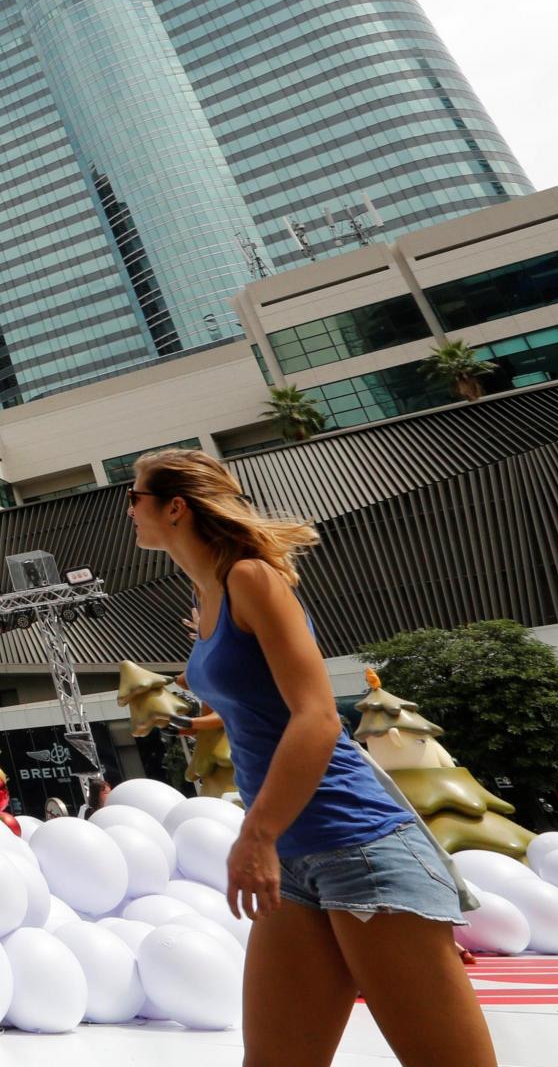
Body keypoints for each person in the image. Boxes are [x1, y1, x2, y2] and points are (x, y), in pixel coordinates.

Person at [128, 448, 493, 1067]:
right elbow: (262, 697)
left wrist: (257, 832)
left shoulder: (250, 577)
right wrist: (206, 720)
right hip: (296, 864)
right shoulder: (208, 591)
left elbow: (318, 716)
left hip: (359, 845)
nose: (129, 511)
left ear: (174, 507)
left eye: (132, 497)